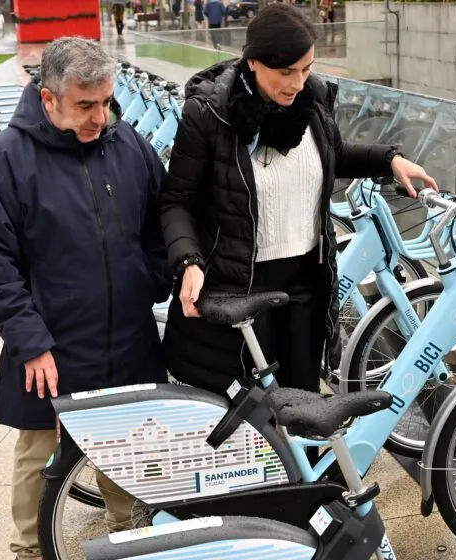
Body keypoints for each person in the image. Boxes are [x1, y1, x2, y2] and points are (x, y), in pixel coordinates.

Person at [0, 37, 171, 560]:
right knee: (40, 450)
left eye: (106, 101)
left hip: (126, 335)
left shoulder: (129, 146)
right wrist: (30, 341)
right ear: (48, 98)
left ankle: (127, 532)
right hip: (49, 342)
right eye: (85, 105)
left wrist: (152, 278)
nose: (101, 116)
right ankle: (29, 549)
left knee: (124, 444)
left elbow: (162, 222)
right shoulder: (6, 159)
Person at [160, 4, 436, 398]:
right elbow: (177, 201)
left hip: (305, 283)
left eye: (306, 69)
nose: (298, 82)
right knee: (243, 412)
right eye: (286, 72)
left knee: (301, 404)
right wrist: (188, 261)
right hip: (239, 281)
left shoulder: (314, 100)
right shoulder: (209, 115)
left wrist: (388, 159)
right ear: (253, 62)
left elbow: (331, 155)